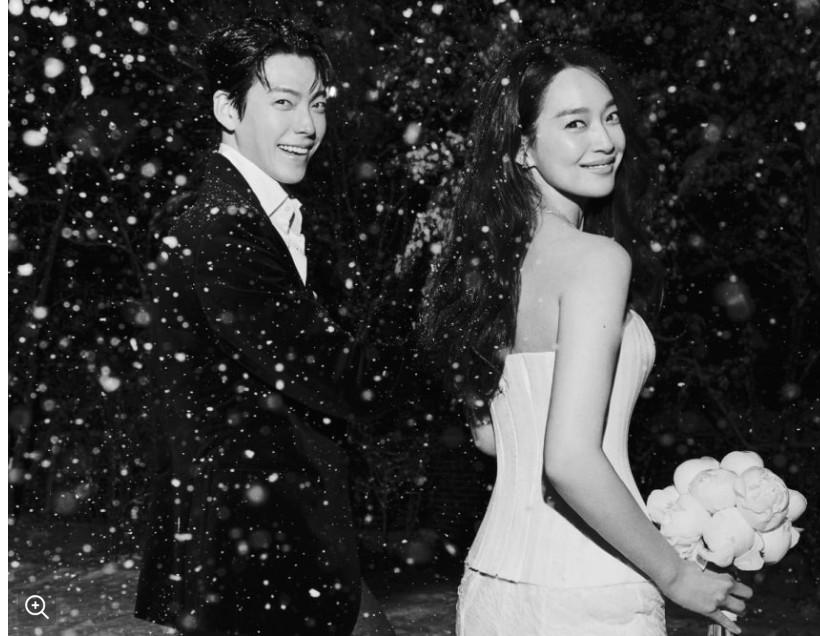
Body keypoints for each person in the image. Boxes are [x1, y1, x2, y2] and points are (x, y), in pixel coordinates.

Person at [421, 42, 753, 635]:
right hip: (590, 590)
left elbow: (495, 440)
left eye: (611, 116)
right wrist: (677, 575)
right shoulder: (597, 260)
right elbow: (569, 460)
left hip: (493, 588)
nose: (605, 140)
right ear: (522, 147)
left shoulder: (491, 269)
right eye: (574, 123)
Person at [134, 16, 412, 636]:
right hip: (251, 556)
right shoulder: (220, 223)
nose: (307, 125)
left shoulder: (264, 214)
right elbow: (330, 373)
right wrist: (458, 353)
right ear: (227, 110)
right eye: (283, 103)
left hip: (277, 540)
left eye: (317, 103)